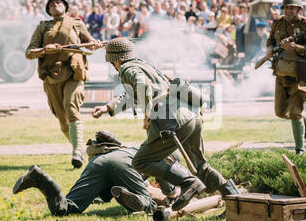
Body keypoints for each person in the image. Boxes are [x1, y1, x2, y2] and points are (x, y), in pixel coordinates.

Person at [91, 38, 240, 211]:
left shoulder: (126, 68)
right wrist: (107, 107)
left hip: (171, 121)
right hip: (191, 116)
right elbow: (132, 94)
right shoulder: (144, 65)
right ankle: (235, 201)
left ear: (116, 60)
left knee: (140, 161)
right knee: (200, 166)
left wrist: (148, 113)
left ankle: (188, 183)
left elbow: (141, 85)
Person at [12, 132, 180, 216]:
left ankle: (42, 180)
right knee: (148, 204)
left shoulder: (134, 149)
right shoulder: (161, 156)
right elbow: (168, 186)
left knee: (67, 208)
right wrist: (173, 194)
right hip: (123, 165)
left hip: (97, 163)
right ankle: (129, 197)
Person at [25, 0, 102, 169]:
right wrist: (44, 50)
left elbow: (89, 45)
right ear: (48, 10)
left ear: (65, 7)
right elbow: (29, 52)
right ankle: (80, 147)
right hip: (51, 77)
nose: (55, 4)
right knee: (62, 121)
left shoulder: (76, 23)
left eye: (59, 2)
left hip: (73, 73)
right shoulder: (42, 27)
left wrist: (93, 45)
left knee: (71, 107)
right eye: (51, 4)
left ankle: (76, 153)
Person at [265, 0, 306, 154]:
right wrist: (269, 49)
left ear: (298, 9)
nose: (289, 10)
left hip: (301, 74)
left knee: (295, 112)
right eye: (286, 7)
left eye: (292, 7)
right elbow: (271, 41)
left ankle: (299, 150)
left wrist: (296, 47)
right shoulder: (277, 23)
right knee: (281, 112)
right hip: (281, 72)